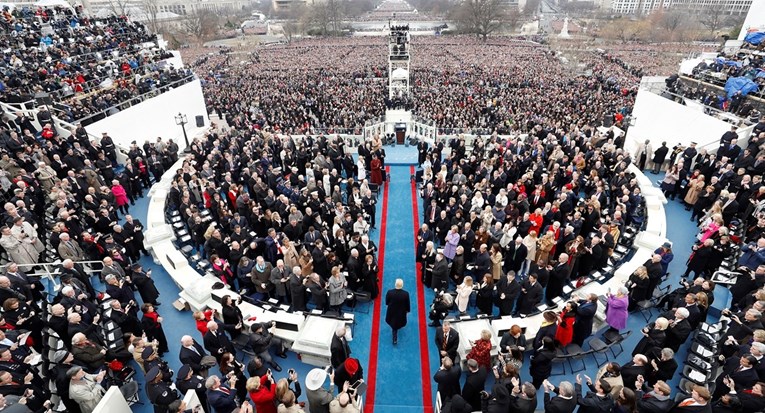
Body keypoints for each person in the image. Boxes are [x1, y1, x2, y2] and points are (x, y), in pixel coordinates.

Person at [384, 278, 410, 345]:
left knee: (393, 324)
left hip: (392, 311)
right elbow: (407, 304)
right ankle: (396, 329)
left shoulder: (390, 292)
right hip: (401, 312)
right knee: (398, 322)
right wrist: (407, 310)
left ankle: (394, 337)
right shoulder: (406, 294)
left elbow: (387, 302)